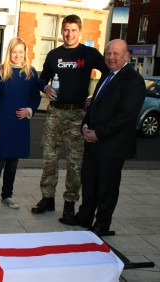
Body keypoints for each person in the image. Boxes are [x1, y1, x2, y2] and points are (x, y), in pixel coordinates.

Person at [60, 39, 146, 235]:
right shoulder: (107, 76)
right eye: (108, 53)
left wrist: (98, 133)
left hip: (112, 145)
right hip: (93, 142)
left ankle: (102, 224)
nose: (111, 57)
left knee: (107, 187)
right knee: (89, 182)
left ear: (127, 56)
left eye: (116, 53)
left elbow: (125, 116)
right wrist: (86, 127)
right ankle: (85, 217)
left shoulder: (133, 81)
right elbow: (95, 106)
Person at [31, 15, 108, 223]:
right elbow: (41, 78)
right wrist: (45, 87)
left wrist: (95, 95)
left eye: (73, 30)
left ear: (79, 31)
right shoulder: (54, 55)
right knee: (49, 159)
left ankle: (69, 204)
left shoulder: (89, 53)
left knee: (75, 163)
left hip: (77, 115)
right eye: (66, 30)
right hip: (55, 113)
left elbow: (108, 73)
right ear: (61, 31)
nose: (69, 34)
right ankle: (47, 199)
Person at [0, 37, 41, 210]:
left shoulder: (31, 72)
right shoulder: (1, 72)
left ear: (25, 53)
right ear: (9, 52)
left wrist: (29, 110)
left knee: (12, 164)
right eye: (14, 51)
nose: (17, 55)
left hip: (19, 124)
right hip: (2, 124)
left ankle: (7, 196)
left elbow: (36, 97)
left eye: (21, 52)